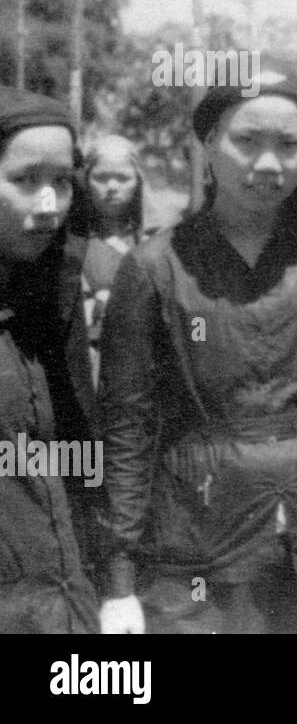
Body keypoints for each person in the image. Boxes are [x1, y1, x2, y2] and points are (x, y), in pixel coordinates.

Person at [97, 64, 297, 634]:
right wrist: (118, 581)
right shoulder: (154, 268)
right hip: (195, 550)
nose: (268, 164)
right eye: (246, 141)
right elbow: (127, 427)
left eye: (289, 145)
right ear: (210, 143)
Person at [0, 87, 98, 633]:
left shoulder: (49, 305)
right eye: (25, 180)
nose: (49, 204)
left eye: (62, 182)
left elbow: (79, 465)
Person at [80, 134, 165, 390]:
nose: (112, 186)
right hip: (83, 362)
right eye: (102, 177)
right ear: (86, 179)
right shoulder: (70, 241)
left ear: (138, 181)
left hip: (142, 366)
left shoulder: (157, 241)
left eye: (123, 178)